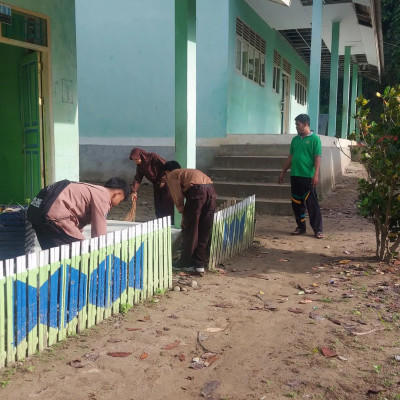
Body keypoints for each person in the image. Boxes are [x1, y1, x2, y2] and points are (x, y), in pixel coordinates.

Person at [27, 178, 129, 250]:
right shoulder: (103, 196)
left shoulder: (91, 189)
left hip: (36, 213)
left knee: (52, 254)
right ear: (118, 194)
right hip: (54, 216)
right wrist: (102, 250)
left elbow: (77, 215)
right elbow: (99, 229)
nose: (118, 204)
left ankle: (56, 278)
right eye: (120, 200)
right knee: (80, 250)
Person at [163, 161, 217, 273]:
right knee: (204, 228)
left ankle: (185, 263)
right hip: (211, 191)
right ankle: (199, 264)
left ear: (167, 172)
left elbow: (177, 196)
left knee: (191, 230)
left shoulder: (172, 174)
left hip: (197, 193)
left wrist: (182, 212)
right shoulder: (188, 172)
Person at [278, 114, 323, 239]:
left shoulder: (315, 139)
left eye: (298, 124)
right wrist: (283, 171)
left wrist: (316, 175)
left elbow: (317, 158)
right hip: (295, 176)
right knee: (296, 204)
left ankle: (318, 229)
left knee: (312, 204)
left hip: (308, 177)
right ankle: (301, 227)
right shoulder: (295, 140)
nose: (296, 127)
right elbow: (290, 157)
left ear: (305, 124)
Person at [129, 148, 175, 223]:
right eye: (133, 160)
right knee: (158, 204)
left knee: (168, 202)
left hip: (167, 184)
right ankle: (161, 221)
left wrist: (163, 179)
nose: (135, 161)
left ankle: (171, 221)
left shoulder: (153, 157)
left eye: (136, 159)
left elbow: (166, 166)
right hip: (157, 185)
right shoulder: (140, 166)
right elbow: (138, 178)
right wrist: (134, 190)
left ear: (141, 155)